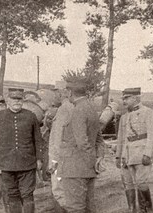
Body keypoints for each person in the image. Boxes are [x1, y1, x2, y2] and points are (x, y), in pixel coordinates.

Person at [0, 88, 44, 213]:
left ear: (23, 100)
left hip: (27, 164)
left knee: (27, 195)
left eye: (19, 99)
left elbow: (38, 140)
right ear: (8, 100)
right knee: (12, 195)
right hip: (6, 164)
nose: (17, 102)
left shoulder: (31, 116)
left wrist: (39, 159)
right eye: (14, 99)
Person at [55, 79, 105, 213]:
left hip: (75, 168)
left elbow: (82, 142)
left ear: (70, 93)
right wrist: (98, 158)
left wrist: (90, 161)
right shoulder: (91, 109)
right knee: (88, 207)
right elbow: (99, 139)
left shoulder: (77, 110)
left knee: (75, 207)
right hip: (87, 169)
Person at [116, 87, 153, 213]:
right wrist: (118, 156)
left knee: (141, 183)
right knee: (127, 183)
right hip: (126, 154)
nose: (124, 101)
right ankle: (132, 209)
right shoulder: (124, 117)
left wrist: (148, 154)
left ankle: (146, 210)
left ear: (135, 98)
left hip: (141, 153)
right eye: (123, 98)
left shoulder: (148, 112)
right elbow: (121, 138)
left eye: (126, 98)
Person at [48, 87, 74, 213]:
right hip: (69, 157)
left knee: (59, 191)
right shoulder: (70, 108)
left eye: (55, 94)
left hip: (60, 159)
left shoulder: (64, 109)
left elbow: (58, 138)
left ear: (61, 94)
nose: (53, 98)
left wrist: (54, 160)